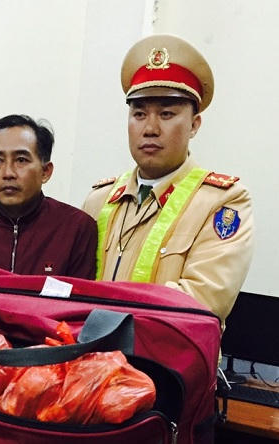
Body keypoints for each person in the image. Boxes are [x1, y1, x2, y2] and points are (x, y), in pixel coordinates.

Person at [82, 34, 254, 323]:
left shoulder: (222, 201)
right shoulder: (100, 200)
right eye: (139, 114)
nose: (150, 128)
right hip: (88, 349)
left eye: (166, 114)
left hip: (163, 350)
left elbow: (202, 301)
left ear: (194, 125)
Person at [0, 114, 97, 278]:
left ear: (45, 171)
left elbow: (81, 294)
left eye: (21, 160)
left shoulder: (75, 228)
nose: (8, 173)